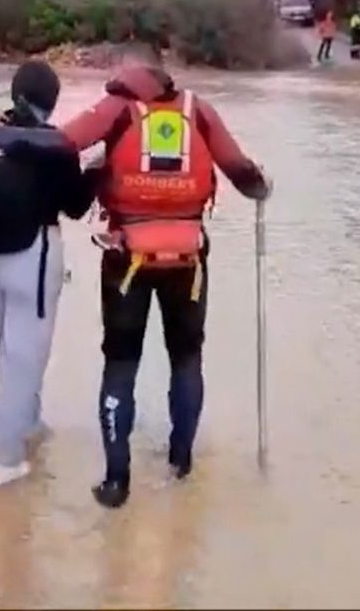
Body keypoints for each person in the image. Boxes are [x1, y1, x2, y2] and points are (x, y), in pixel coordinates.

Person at [55, 43, 272, 509]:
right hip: (187, 261)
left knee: (120, 365)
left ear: (129, 77)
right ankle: (181, 464)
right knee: (186, 359)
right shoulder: (200, 110)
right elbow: (243, 175)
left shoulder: (116, 108)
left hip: (126, 259)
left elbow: (62, 143)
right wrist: (262, 185)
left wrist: (92, 173)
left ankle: (116, 483)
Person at [0, 61, 98, 487]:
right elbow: (75, 207)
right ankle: (4, 462)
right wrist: (94, 170)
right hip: (30, 259)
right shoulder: (53, 146)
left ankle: (29, 425)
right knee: (24, 359)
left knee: (12, 347)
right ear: (52, 102)